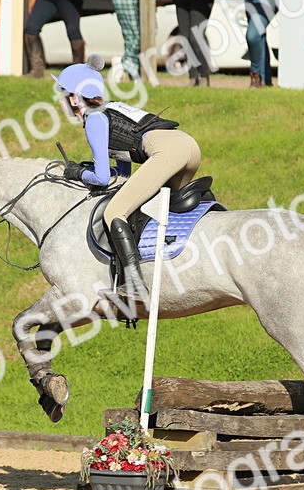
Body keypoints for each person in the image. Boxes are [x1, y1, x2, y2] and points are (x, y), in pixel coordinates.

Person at [54, 55, 201, 304]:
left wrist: (77, 173)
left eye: (64, 94)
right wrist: (106, 174)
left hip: (168, 152)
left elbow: (100, 178)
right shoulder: (112, 109)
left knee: (114, 212)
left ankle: (134, 284)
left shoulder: (95, 120)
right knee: (146, 208)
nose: (63, 101)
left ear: (75, 97)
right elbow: (123, 174)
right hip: (188, 146)